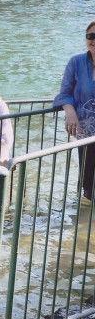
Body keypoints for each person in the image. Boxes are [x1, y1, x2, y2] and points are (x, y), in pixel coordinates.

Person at [56, 21, 95, 203]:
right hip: (86, 134)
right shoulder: (76, 62)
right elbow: (64, 93)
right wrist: (70, 110)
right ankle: (84, 227)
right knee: (88, 185)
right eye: (90, 36)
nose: (93, 40)